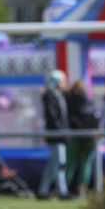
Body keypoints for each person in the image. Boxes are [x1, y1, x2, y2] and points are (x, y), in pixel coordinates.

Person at [37, 70, 71, 199]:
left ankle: (43, 190)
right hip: (56, 134)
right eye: (62, 81)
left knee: (54, 163)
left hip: (60, 134)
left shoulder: (59, 95)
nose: (65, 83)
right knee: (60, 162)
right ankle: (62, 191)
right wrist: (61, 129)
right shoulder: (50, 96)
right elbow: (53, 117)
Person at [64, 79, 99, 198]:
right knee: (86, 163)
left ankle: (64, 188)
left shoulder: (70, 101)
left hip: (76, 136)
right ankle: (82, 189)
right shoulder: (88, 101)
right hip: (89, 136)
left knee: (70, 163)